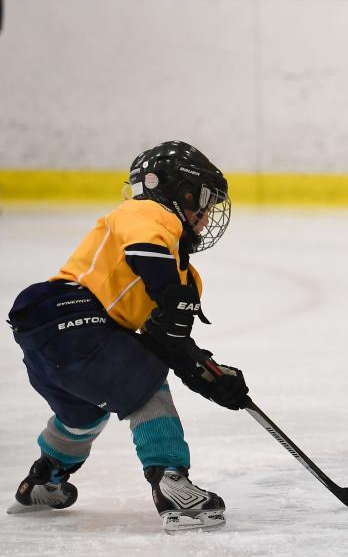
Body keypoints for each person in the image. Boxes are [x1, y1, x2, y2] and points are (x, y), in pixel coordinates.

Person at [6, 141, 249, 533]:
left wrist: (208, 374)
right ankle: (171, 481)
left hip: (49, 342)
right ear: (175, 191)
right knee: (146, 384)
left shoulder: (185, 275)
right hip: (72, 314)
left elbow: (164, 341)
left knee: (84, 413)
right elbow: (145, 250)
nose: (206, 215)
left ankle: (44, 478)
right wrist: (172, 295)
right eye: (202, 199)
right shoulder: (145, 212)